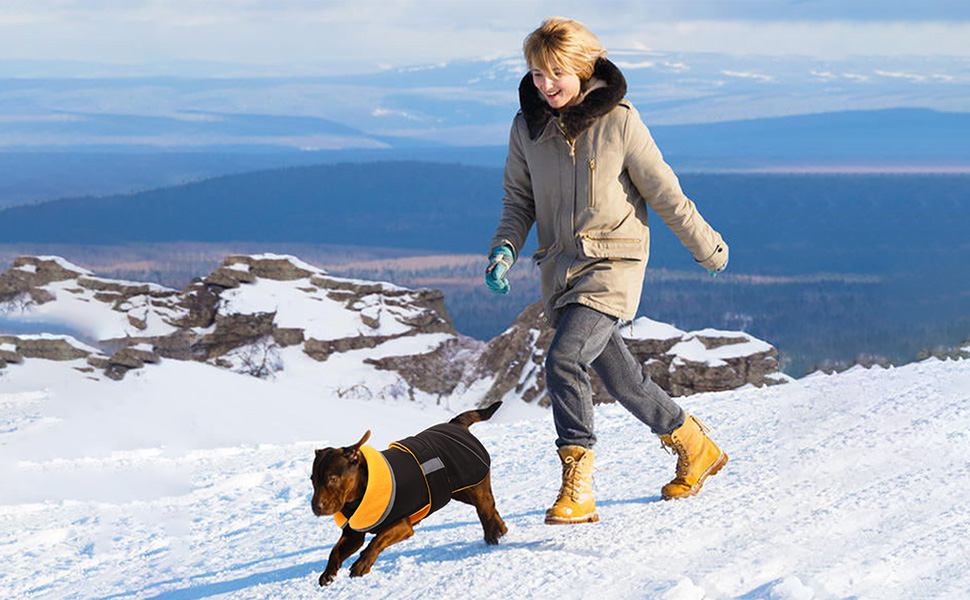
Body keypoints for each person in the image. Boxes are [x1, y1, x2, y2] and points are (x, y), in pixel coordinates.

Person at [485, 17, 730, 525]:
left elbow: (665, 193)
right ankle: (693, 443)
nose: (545, 85)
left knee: (565, 359)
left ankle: (577, 484)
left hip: (613, 263)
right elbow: (518, 200)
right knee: (622, 379)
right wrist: (505, 249)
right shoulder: (526, 128)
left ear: (583, 68)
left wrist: (707, 247)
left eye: (555, 73)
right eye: (536, 73)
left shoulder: (620, 121)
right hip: (561, 269)